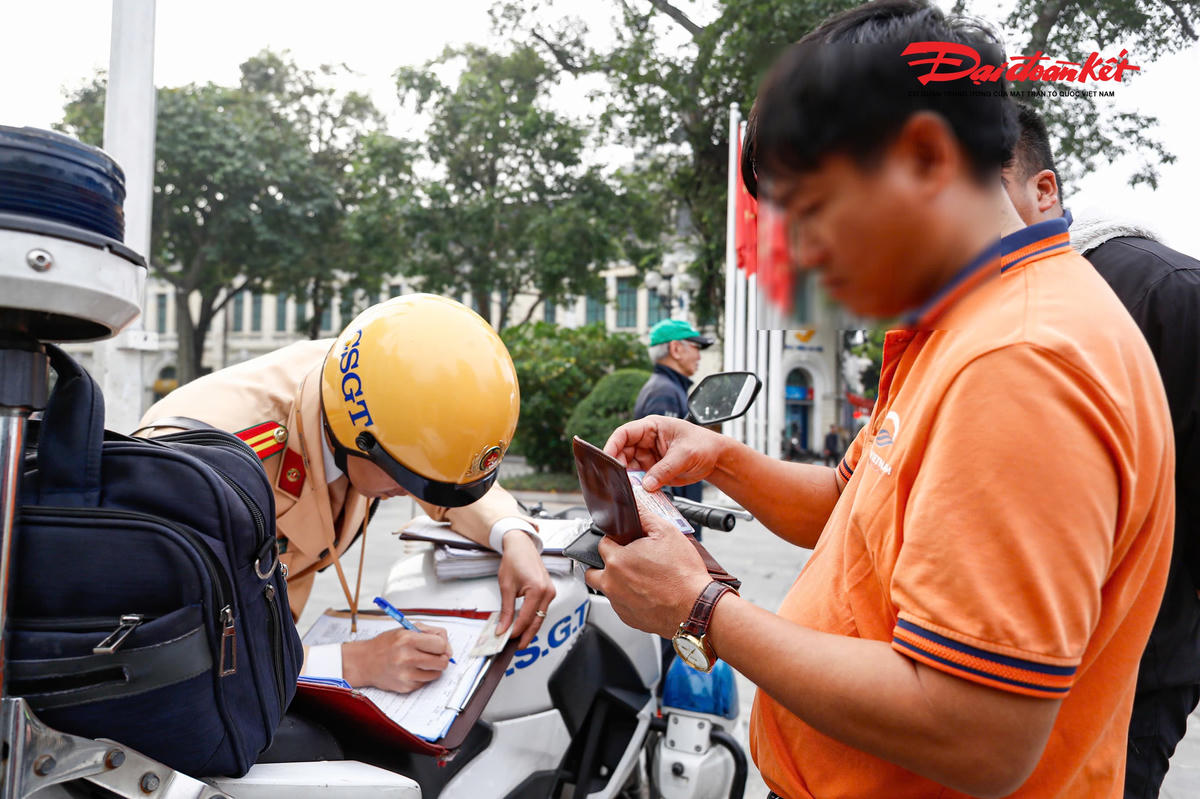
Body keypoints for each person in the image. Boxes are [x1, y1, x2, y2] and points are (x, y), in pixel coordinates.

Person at [586, 3, 1174, 798]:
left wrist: (699, 609)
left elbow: (977, 730)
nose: (801, 258)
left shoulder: (1020, 362)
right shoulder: (965, 324)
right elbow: (851, 504)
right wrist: (719, 456)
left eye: (815, 211)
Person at [138, 294, 555, 694]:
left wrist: (513, 534)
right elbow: (170, 654)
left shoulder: (371, 385)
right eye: (406, 478)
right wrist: (355, 663)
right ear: (359, 439)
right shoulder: (207, 462)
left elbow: (448, 478)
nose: (413, 493)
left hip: (270, 655)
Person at [1002, 102, 1200, 799]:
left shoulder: (1166, 293)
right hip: (994, 666)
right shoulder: (978, 309)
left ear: (1043, 191)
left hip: (1130, 668)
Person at [633, 318, 714, 507]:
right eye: (696, 348)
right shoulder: (664, 392)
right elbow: (658, 464)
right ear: (676, 348)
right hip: (675, 519)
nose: (699, 357)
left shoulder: (666, 388)